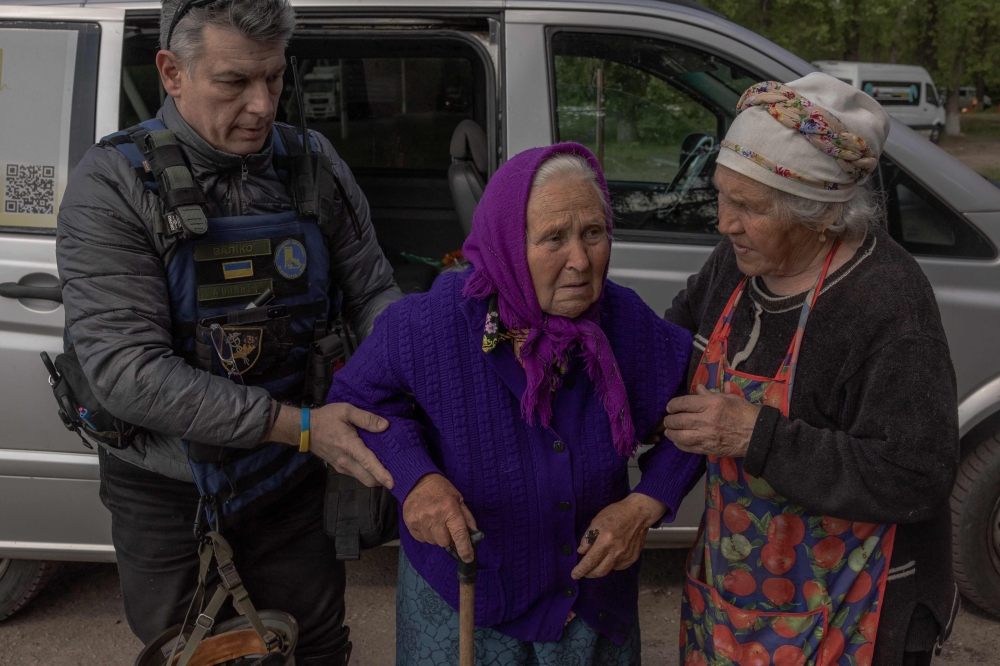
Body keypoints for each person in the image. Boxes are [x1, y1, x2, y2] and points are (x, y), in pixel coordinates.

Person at [55, 0, 401, 663]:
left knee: (318, 645)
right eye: (234, 82)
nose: (264, 104)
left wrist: (394, 383)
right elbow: (128, 371)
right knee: (197, 654)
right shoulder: (114, 186)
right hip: (167, 490)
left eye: (274, 78)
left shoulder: (314, 163)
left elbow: (374, 291)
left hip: (290, 483)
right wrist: (302, 425)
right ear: (172, 72)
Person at [328, 142, 702, 665]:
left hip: (590, 608)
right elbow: (358, 398)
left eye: (593, 233)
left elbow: (703, 414)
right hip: (468, 605)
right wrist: (415, 478)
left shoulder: (624, 320)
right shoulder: (431, 323)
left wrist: (648, 503)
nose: (579, 260)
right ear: (506, 244)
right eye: (554, 238)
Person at [663, 72, 960, 666]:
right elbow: (668, 356)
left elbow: (916, 476)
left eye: (747, 207)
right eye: (722, 196)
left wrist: (756, 435)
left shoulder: (888, 304)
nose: (724, 223)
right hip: (737, 597)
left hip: (851, 611)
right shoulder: (733, 265)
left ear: (822, 215)